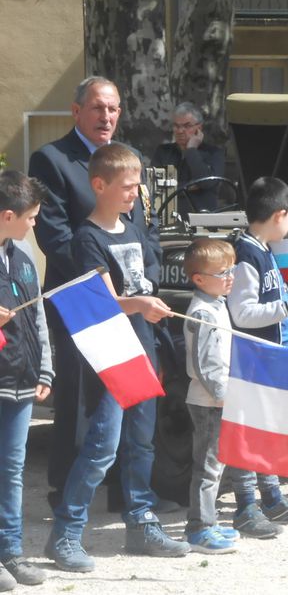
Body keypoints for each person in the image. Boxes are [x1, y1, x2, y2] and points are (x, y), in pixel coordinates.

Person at [46, 145, 189, 573]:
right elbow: (107, 302)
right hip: (111, 351)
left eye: (138, 184)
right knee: (102, 448)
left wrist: (147, 311)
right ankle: (66, 532)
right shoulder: (86, 238)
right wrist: (142, 304)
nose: (136, 192)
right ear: (99, 185)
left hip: (142, 346)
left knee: (140, 442)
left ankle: (141, 521)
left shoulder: (131, 227)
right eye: (128, 186)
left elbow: (145, 276)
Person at [28, 76, 159, 500]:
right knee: (78, 396)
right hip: (80, 297)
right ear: (76, 111)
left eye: (114, 109)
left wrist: (141, 271)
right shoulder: (52, 159)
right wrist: (106, 274)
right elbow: (56, 237)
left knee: (129, 391)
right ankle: (65, 490)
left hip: (129, 300)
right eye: (98, 108)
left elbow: (145, 228)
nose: (107, 117)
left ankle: (126, 490)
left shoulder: (131, 158)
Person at [225, 177, 288, 535]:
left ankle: (271, 499)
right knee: (248, 433)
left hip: (271, 356)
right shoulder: (246, 253)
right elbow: (242, 314)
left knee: (265, 430)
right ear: (279, 214)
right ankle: (246, 507)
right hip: (252, 357)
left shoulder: (264, 249)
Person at [0, 171, 52, 589]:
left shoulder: (24, 256)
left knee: (12, 471)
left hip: (21, 382)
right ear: (7, 215)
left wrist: (45, 367)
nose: (34, 224)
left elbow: (38, 317)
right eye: (31, 217)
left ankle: (11, 553)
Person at [181, 238, 240, 554]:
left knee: (215, 464)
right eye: (222, 272)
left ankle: (209, 522)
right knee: (207, 465)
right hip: (208, 400)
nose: (230, 276)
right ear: (199, 279)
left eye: (231, 269)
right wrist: (221, 394)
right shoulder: (202, 312)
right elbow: (204, 361)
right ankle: (199, 529)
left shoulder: (217, 304)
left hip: (218, 397)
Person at [150, 102, 226, 214]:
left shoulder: (214, 153)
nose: (180, 131)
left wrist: (191, 150)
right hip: (167, 217)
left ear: (199, 128)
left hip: (202, 219)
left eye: (187, 126)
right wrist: (189, 186)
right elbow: (155, 186)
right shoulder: (163, 152)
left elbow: (207, 183)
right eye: (176, 126)